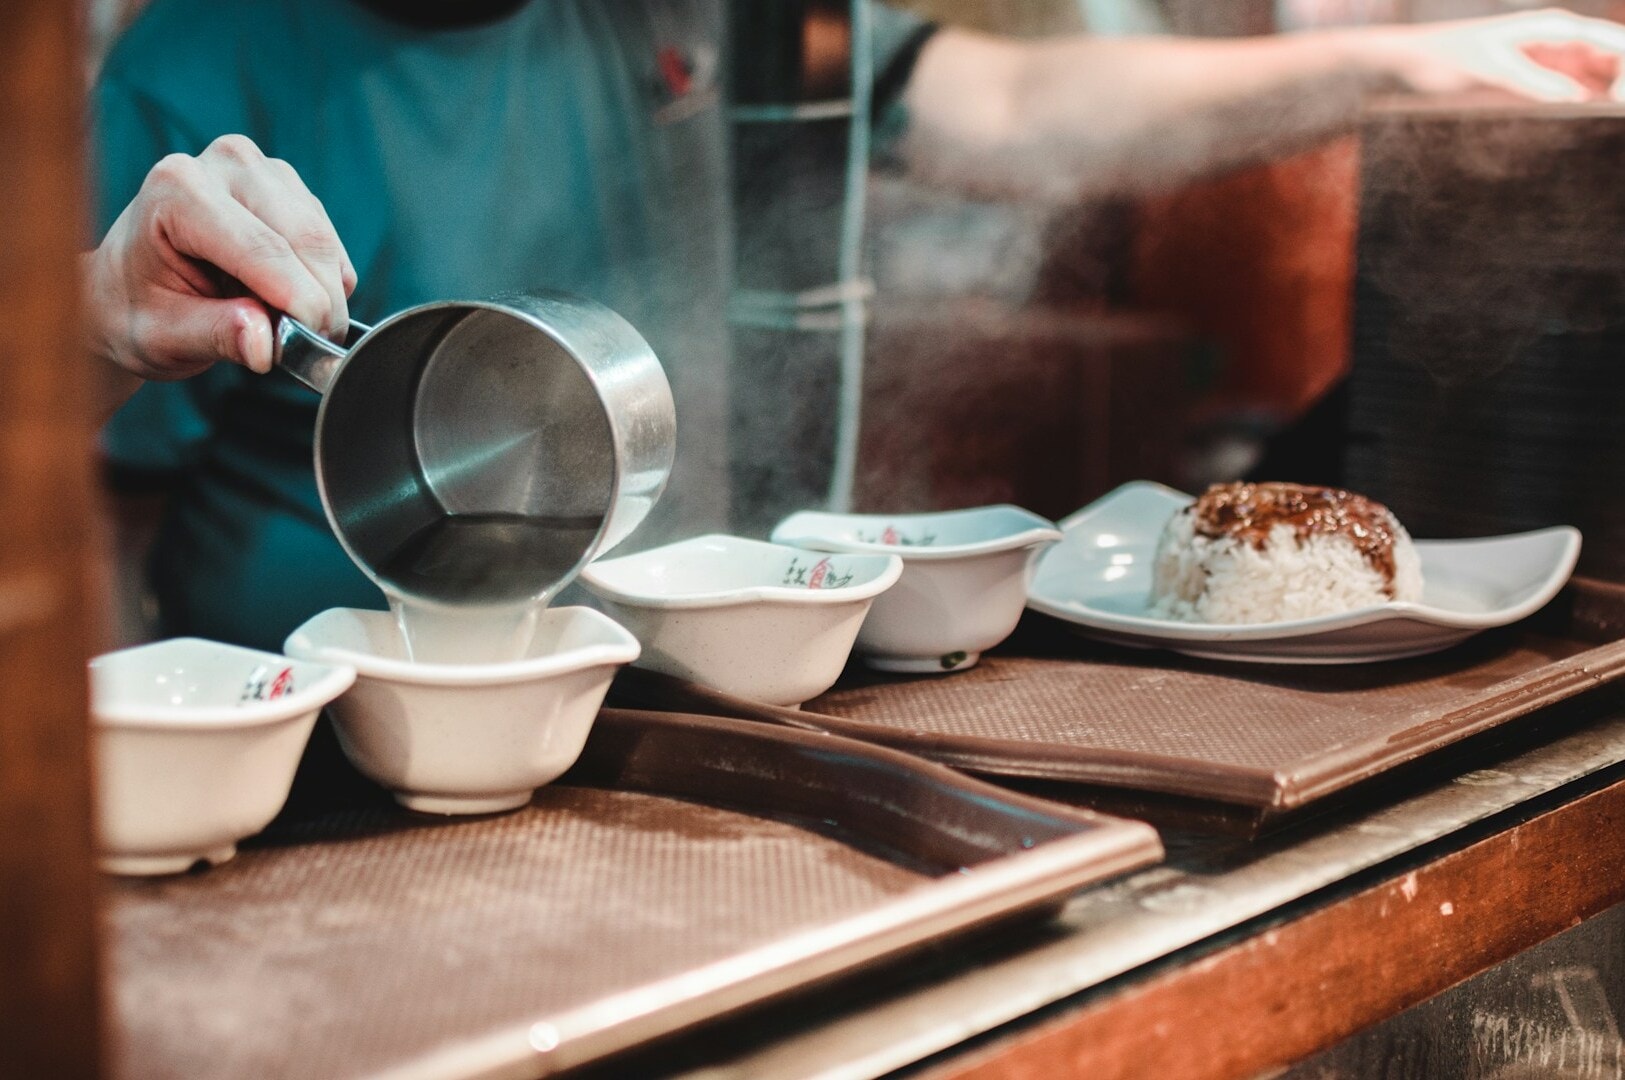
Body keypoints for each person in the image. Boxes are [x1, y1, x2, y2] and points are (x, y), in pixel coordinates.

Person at [87, 1, 1625, 652]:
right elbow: (91, 508)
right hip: (313, 721)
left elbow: (1013, 101)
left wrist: (1392, 66)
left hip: (666, 698)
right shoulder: (188, 66)